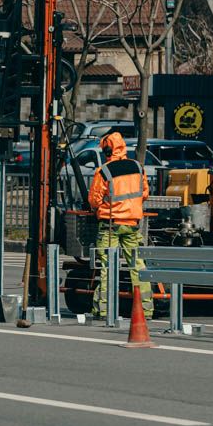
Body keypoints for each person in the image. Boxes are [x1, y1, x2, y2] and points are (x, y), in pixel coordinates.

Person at [87, 131, 150, 319]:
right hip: (132, 223)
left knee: (108, 267)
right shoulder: (138, 168)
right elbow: (144, 194)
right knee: (137, 266)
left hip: (110, 224)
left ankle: (104, 310)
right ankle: (145, 310)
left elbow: (94, 200)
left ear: (108, 149)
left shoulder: (104, 171)